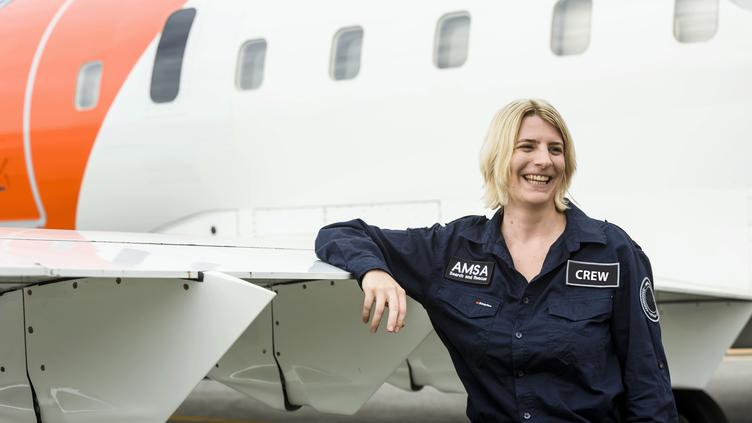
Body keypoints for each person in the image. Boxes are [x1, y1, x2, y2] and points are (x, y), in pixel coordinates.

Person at [315, 99, 678, 422]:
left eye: (556, 149)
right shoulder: (453, 250)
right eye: (527, 147)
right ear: (499, 157)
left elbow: (648, 379)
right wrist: (374, 270)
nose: (544, 160)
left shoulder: (612, 252)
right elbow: (340, 233)